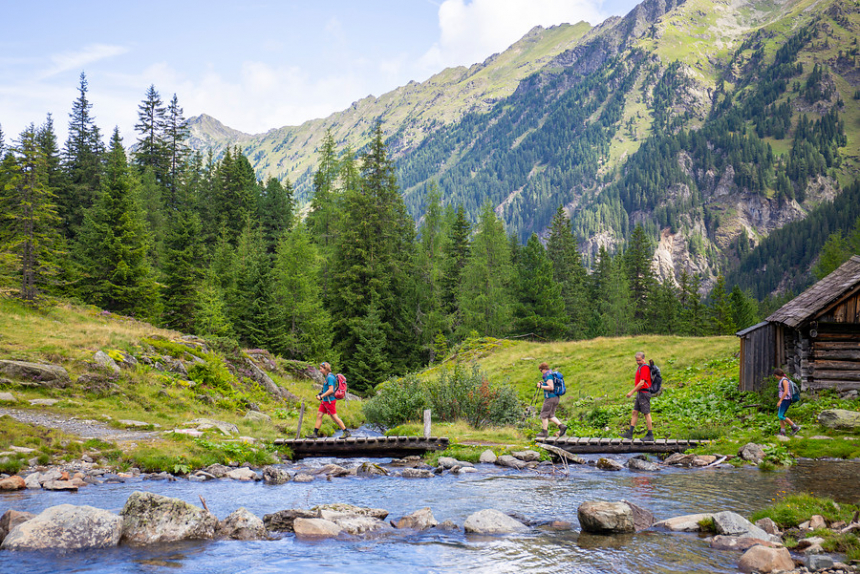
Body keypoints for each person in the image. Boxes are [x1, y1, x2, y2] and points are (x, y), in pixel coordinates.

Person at [310, 362, 351, 439]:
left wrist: (321, 396)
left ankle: (346, 432)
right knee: (319, 415)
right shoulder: (328, 377)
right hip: (325, 401)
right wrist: (320, 394)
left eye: (321, 369)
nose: (320, 370)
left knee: (334, 418)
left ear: (325, 369)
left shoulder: (330, 378)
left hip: (329, 401)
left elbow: (331, 390)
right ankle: (314, 433)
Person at [622, 352, 654, 442]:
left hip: (644, 393)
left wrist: (631, 392)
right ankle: (630, 433)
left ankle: (650, 434)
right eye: (636, 360)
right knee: (635, 412)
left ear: (643, 359)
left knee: (646, 413)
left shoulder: (644, 367)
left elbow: (641, 383)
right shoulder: (640, 367)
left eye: (639, 360)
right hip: (640, 393)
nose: (638, 362)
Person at [535, 362, 567, 439]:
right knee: (550, 415)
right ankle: (561, 426)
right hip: (555, 397)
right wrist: (543, 384)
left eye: (541, 370)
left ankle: (544, 432)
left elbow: (551, 387)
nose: (541, 372)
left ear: (543, 369)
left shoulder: (548, 376)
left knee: (543, 414)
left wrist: (541, 386)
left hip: (550, 398)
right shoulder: (551, 374)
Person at [774, 368, 801, 436]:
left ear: (777, 375)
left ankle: (795, 427)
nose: (775, 377)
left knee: (780, 416)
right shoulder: (782, 380)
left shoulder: (784, 381)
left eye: (775, 376)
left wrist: (780, 401)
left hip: (786, 400)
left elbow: (786, 392)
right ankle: (782, 432)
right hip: (783, 400)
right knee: (781, 415)